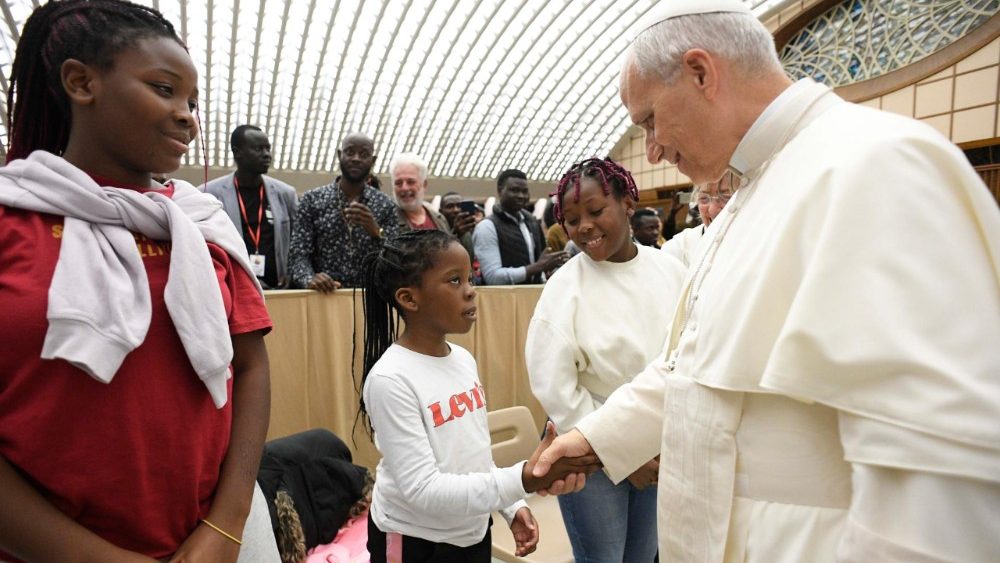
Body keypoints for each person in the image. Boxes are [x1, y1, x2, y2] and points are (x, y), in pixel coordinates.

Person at [533, 1, 1000, 561]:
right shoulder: (745, 201)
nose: (651, 148)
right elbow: (694, 371)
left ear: (701, 72)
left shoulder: (874, 164)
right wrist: (590, 443)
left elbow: (935, 484)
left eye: (650, 120)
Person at [0, 1, 278, 561]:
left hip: (209, 544)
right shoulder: (11, 222)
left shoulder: (202, 227)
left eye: (193, 102)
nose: (188, 116)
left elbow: (249, 368)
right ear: (81, 82)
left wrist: (225, 528)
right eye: (164, 89)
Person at [356, 230, 600, 562]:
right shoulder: (391, 379)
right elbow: (423, 491)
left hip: (470, 530)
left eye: (469, 278)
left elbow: (474, 453)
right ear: (409, 299)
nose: (471, 292)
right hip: (415, 539)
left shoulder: (462, 359)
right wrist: (524, 478)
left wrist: (511, 506)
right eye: (454, 281)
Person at [526, 158, 686, 562]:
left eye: (596, 212)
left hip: (658, 446)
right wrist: (619, 451)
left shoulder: (671, 271)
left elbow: (684, 356)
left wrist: (647, 445)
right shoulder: (564, 288)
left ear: (628, 203)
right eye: (573, 219)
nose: (584, 227)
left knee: (645, 555)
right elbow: (555, 386)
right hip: (590, 459)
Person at [288, 133, 400, 290]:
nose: (356, 158)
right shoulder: (312, 200)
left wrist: (376, 231)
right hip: (324, 296)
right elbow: (298, 254)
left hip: (369, 298)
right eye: (350, 152)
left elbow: (397, 257)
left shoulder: (385, 204)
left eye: (363, 154)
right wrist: (309, 278)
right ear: (339, 155)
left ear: (372, 161)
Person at [204, 124, 299, 289]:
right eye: (258, 149)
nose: (266, 155)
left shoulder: (286, 193)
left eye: (268, 149)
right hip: (234, 288)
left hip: (279, 288)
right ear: (237, 152)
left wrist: (291, 273)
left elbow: (298, 242)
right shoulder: (209, 194)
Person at [473, 169, 568, 284]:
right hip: (503, 299)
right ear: (500, 190)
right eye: (514, 190)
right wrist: (537, 267)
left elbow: (542, 263)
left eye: (525, 191)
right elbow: (493, 277)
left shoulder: (532, 222)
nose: (521, 196)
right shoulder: (487, 227)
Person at [661, 172, 734, 266]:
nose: (712, 210)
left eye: (726, 197)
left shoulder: (755, 244)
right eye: (704, 198)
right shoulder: (679, 249)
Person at [389, 153, 450, 233]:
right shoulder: (387, 220)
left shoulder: (440, 219)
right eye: (398, 183)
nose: (404, 188)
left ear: (424, 184)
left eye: (410, 182)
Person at [439, 191, 478, 258]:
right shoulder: (436, 229)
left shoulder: (472, 229)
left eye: (459, 206)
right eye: (450, 206)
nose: (456, 210)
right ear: (441, 211)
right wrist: (455, 233)